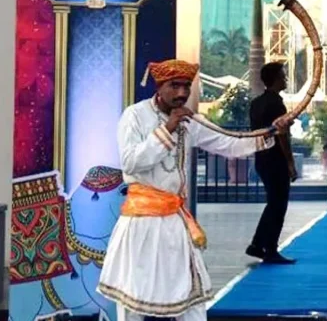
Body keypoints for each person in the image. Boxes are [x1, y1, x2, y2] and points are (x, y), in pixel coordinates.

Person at [98, 59, 282, 320]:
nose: (182, 93)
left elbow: (227, 143)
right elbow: (131, 162)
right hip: (141, 222)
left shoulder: (189, 120)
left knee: (191, 296)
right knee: (133, 300)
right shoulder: (135, 116)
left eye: (186, 86)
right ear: (160, 87)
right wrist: (169, 128)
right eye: (175, 86)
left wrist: (269, 133)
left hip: (175, 221)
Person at [246, 63, 296, 265]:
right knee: (278, 205)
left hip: (262, 158)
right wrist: (290, 162)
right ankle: (270, 248)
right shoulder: (277, 105)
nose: (285, 79)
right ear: (275, 79)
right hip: (276, 159)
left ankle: (258, 244)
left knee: (272, 204)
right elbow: (281, 135)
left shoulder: (256, 103)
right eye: (283, 76)